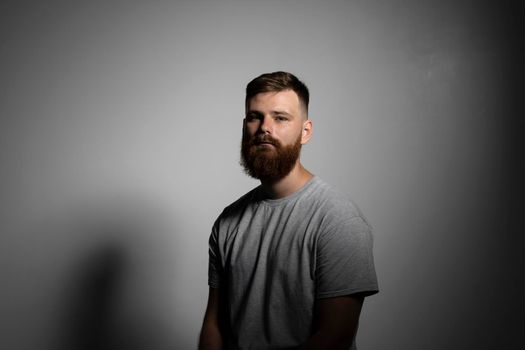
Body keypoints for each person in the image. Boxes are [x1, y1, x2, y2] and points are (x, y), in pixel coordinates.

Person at [199, 71, 378, 350]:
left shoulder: (337, 219)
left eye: (280, 118)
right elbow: (213, 324)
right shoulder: (227, 222)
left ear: (305, 131)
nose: (264, 128)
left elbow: (335, 338)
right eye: (255, 116)